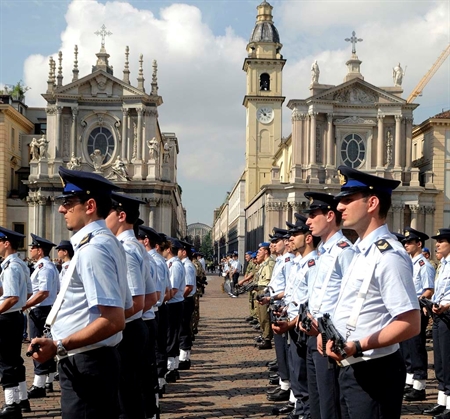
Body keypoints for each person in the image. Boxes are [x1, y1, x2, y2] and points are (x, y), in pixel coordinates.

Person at [28, 166, 131, 419]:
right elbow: (126, 306)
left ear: (90, 205)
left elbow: (114, 319)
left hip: (88, 362)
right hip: (90, 359)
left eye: (69, 202)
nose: (62, 209)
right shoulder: (104, 244)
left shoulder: (94, 249)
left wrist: (59, 345)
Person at [324, 165, 420, 419]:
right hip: (351, 366)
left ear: (372, 203)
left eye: (347, 200)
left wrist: (358, 344)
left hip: (374, 370)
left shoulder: (388, 256)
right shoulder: (361, 251)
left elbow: (410, 323)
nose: (340, 207)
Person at [302, 192, 352, 419]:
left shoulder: (344, 251)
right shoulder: (321, 252)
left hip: (330, 337)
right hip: (314, 334)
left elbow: (348, 298)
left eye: (313, 215)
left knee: (330, 403)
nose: (308, 222)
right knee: (317, 400)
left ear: (330, 215)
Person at [106, 192, 154, 419]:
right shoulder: (135, 247)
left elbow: (139, 301)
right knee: (132, 393)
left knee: (126, 399)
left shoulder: (125, 249)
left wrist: (108, 322)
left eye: (108, 213)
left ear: (121, 216)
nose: (104, 218)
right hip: (134, 327)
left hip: (127, 329)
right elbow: (152, 297)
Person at [401, 227, 435, 402]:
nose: (406, 245)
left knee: (416, 347)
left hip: (417, 309)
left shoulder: (424, 265)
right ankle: (410, 382)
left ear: (419, 244)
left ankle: (420, 385)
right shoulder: (410, 263)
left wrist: (418, 301)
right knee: (407, 348)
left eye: (409, 242)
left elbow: (428, 290)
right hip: (408, 309)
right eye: (405, 242)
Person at [23, 234, 59, 399]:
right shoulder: (46, 266)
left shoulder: (44, 267)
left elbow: (43, 292)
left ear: (39, 250)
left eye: (33, 247)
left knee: (37, 346)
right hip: (46, 309)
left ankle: (39, 384)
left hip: (41, 309)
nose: (30, 250)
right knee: (46, 343)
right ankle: (48, 380)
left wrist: (26, 305)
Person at [0, 227, 31, 418]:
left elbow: (11, 297)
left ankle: (11, 404)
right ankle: (22, 399)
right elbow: (26, 293)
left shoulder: (11, 266)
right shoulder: (20, 264)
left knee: (5, 362)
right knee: (15, 361)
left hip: (6, 318)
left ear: (6, 243)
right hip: (15, 316)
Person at [423, 228, 450, 417]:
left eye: (441, 241)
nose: (437, 244)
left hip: (448, 315)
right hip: (440, 315)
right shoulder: (443, 264)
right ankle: (442, 400)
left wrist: (447, 305)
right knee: (440, 361)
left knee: (448, 361)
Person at [162, 237, 185, 382]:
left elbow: (174, 288)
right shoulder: (171, 264)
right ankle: (173, 365)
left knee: (171, 336)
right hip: (172, 303)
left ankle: (171, 368)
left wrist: (160, 300)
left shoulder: (175, 265)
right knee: (171, 336)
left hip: (173, 304)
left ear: (169, 249)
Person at [178, 240, 197, 370]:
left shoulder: (187, 266)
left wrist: (179, 297)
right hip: (184, 299)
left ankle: (184, 358)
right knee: (181, 328)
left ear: (184, 252)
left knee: (183, 329)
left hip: (186, 299)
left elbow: (188, 287)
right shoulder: (183, 264)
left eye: (178, 250)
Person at [255, 242, 275, 350]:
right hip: (260, 289)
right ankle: (264, 335)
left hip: (265, 291)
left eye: (260, 250)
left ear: (266, 251)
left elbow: (270, 280)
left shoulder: (270, 263)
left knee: (265, 317)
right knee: (260, 316)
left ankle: (267, 339)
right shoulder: (264, 263)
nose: (258, 252)